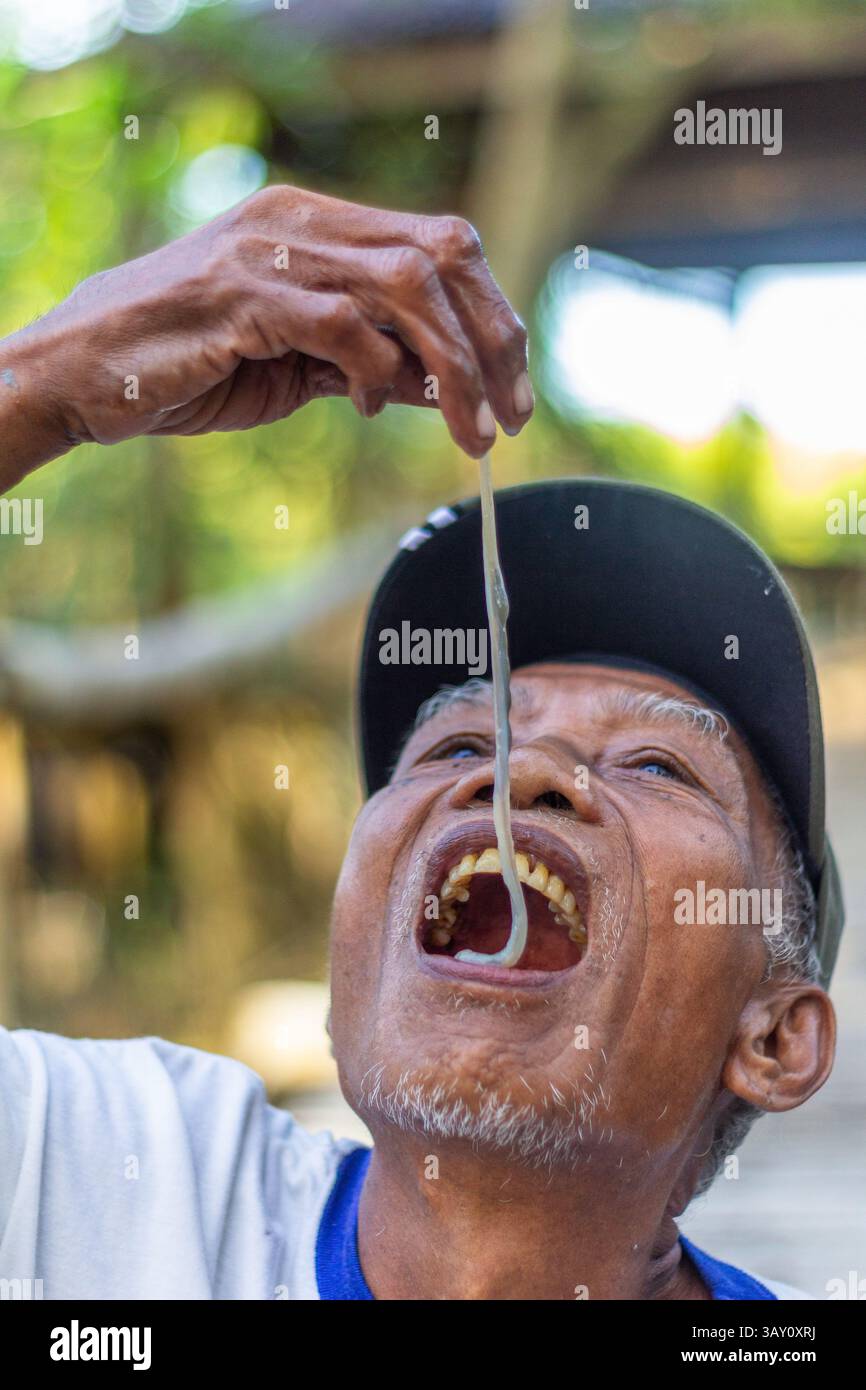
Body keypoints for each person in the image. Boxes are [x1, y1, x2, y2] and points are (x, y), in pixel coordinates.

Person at [0, 189, 843, 1301]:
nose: (519, 772)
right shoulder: (90, 1178)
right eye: (449, 749)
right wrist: (44, 385)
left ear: (776, 1039)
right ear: (351, 962)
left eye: (653, 765)